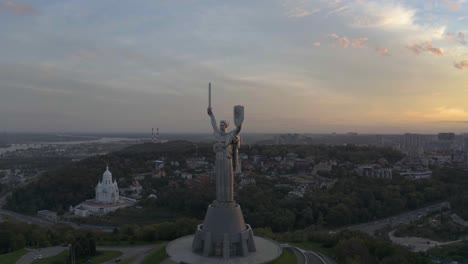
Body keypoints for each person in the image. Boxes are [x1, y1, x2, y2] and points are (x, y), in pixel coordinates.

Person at [207, 107, 241, 204]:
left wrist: (239, 122)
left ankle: (228, 199)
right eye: (220, 124)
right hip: (218, 157)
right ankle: (220, 199)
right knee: (219, 177)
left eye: (223, 124)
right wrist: (211, 114)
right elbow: (213, 123)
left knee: (227, 177)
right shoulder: (217, 134)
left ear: (226, 126)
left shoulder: (230, 135)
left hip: (227, 158)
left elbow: (238, 129)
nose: (221, 125)